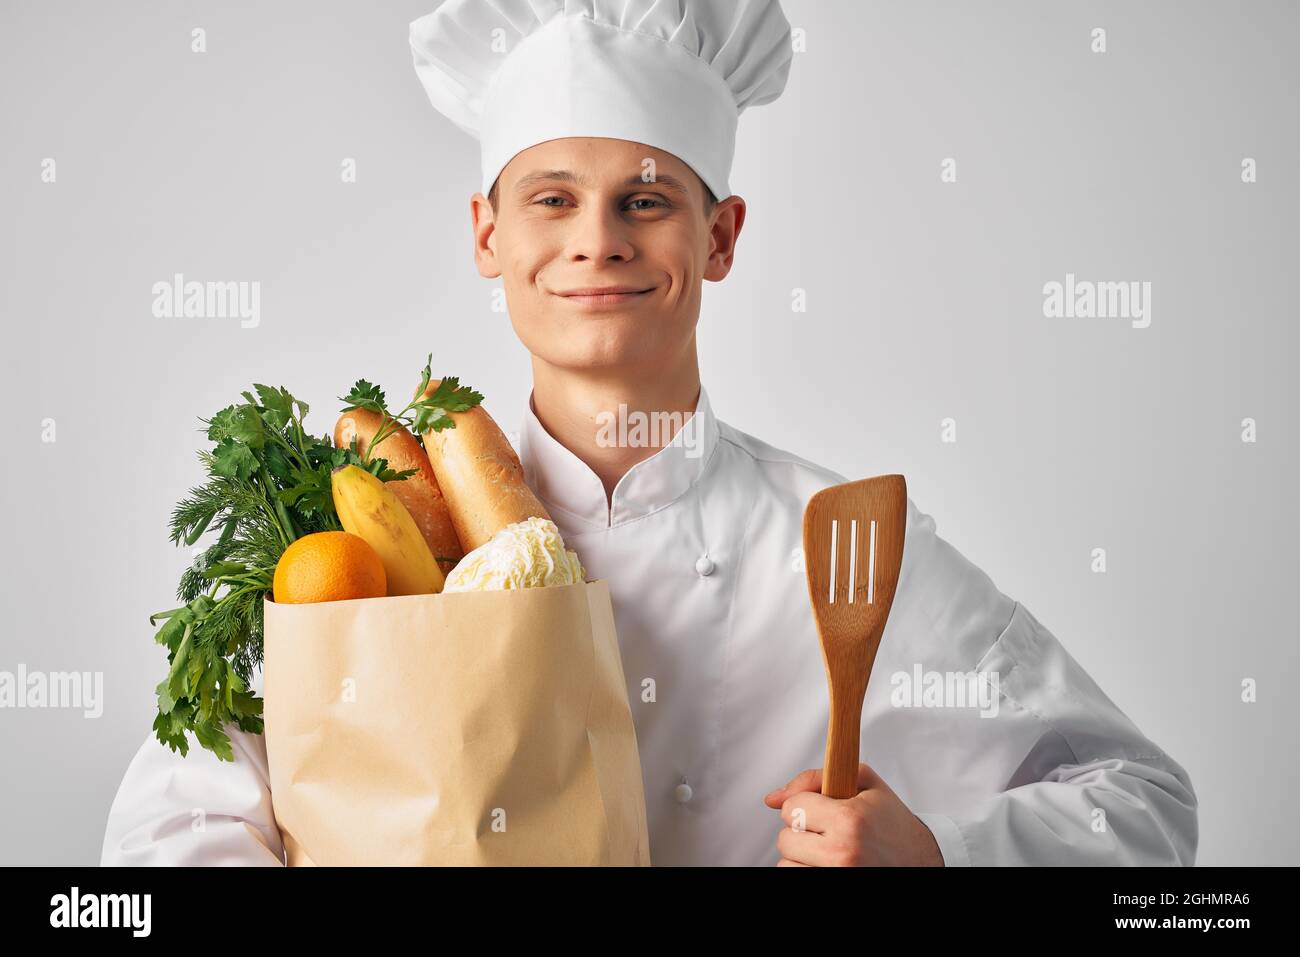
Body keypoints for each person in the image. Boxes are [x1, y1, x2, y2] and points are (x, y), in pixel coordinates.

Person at [101, 0, 1196, 867]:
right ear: (487, 235)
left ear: (720, 237)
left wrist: (941, 856)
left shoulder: (839, 543)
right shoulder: (362, 537)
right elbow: (165, 831)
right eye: (550, 199)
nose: (597, 242)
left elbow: (1145, 812)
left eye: (646, 200)